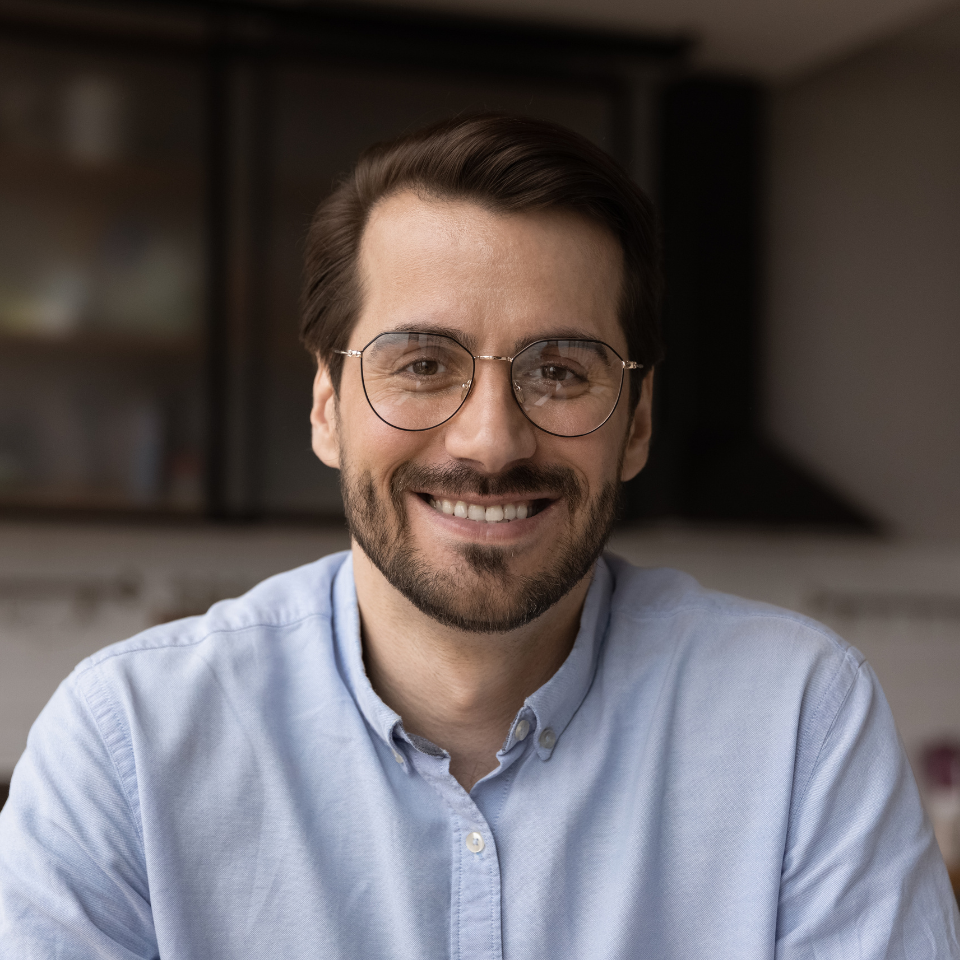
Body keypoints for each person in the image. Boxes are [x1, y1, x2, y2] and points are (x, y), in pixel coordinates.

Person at [0, 114, 957, 959]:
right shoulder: (123, 743)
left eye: (562, 369)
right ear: (328, 405)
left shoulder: (801, 723)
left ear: (636, 421)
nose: (491, 439)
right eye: (422, 363)